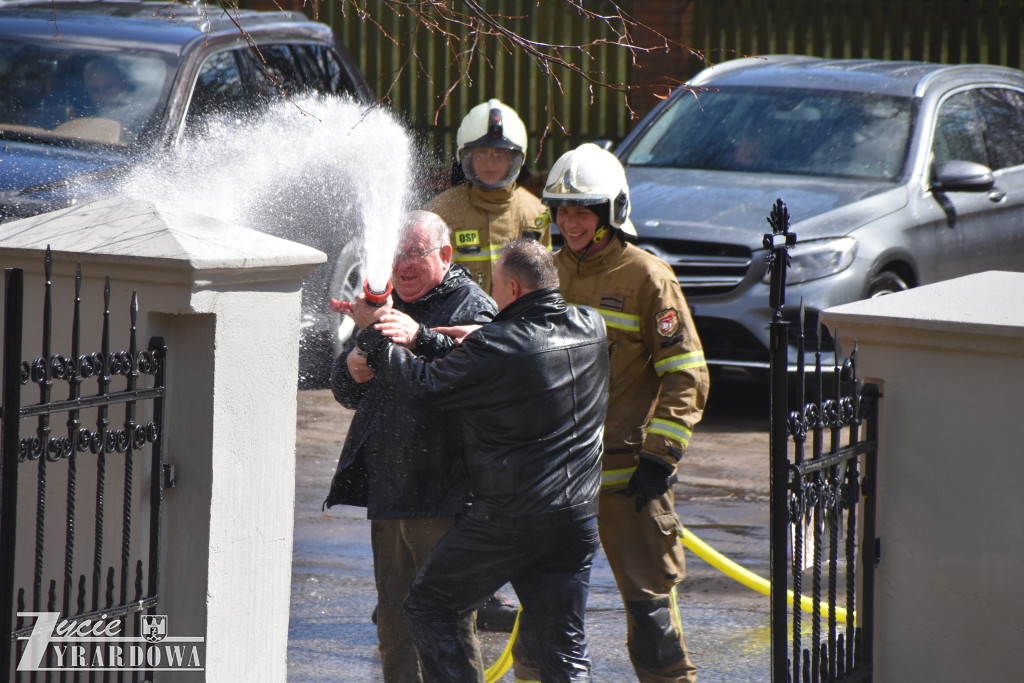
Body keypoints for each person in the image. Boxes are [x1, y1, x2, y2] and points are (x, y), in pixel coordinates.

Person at [349, 238, 610, 683]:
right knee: (564, 646)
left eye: (494, 283)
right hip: (576, 519)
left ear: (511, 287)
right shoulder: (592, 324)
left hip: (508, 520)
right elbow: (507, 357)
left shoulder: (500, 345)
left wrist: (377, 335)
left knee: (428, 606)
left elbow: (423, 387)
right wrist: (427, 337)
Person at [536, 143, 711, 683]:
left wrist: (660, 455)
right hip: (551, 481)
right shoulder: (543, 272)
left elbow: (686, 372)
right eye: (562, 211)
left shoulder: (647, 278)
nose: (570, 222)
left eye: (583, 211)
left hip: (628, 480)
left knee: (652, 618)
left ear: (612, 212)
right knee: (541, 616)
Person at [324, 211, 497, 682]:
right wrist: (359, 353)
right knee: (394, 623)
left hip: (442, 489)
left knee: (443, 621)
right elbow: (345, 390)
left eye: (414, 255)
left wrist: (381, 340)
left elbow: (452, 383)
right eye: (395, 255)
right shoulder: (384, 302)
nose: (401, 266)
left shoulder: (472, 307)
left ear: (445, 255)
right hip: (390, 487)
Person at [424, 98, 551, 296]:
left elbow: (546, 286)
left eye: (499, 154)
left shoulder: (537, 214)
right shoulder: (439, 212)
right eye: (481, 153)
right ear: (465, 157)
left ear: (515, 159)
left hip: (519, 326)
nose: (490, 163)